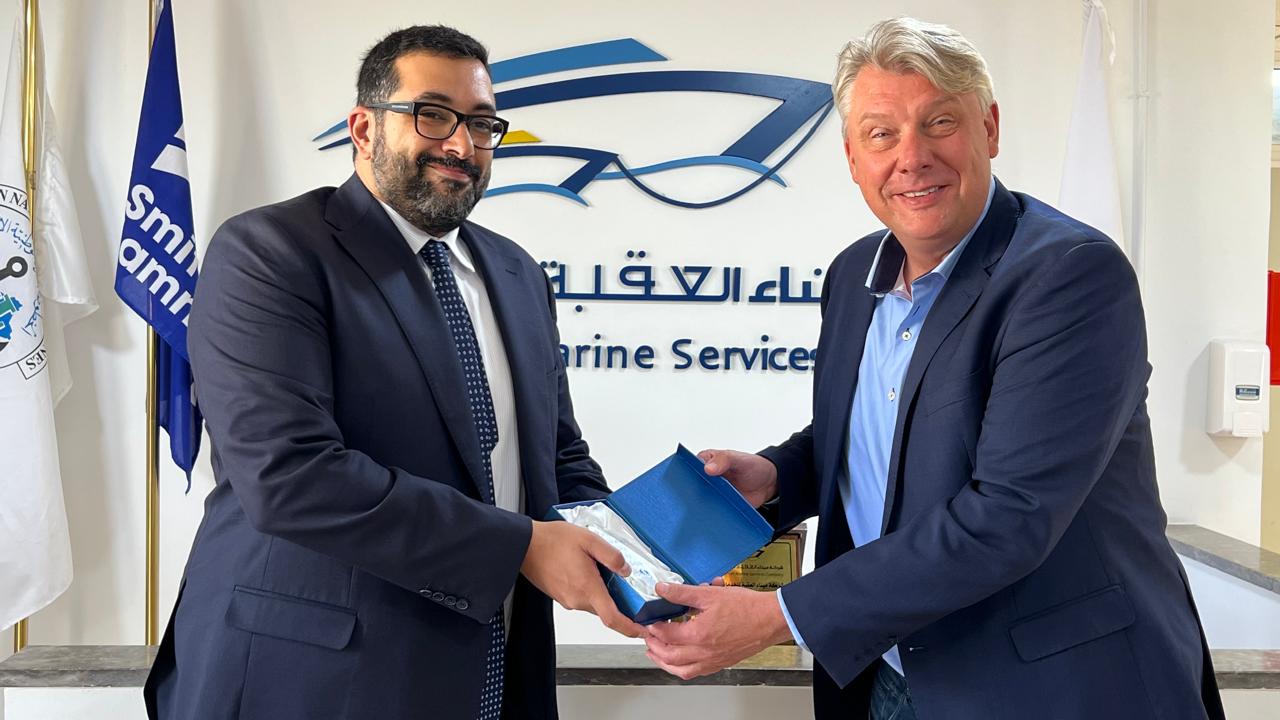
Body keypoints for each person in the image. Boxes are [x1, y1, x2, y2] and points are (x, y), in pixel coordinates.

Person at [644, 17, 1224, 720]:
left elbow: (1008, 514)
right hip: (888, 673)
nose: (911, 157)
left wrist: (779, 616)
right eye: (880, 133)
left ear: (990, 129)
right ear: (853, 156)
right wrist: (778, 475)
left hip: (1048, 686)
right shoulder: (855, 273)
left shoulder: (1069, 275)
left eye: (939, 122)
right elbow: (882, 432)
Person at [144, 25, 642, 720]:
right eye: (432, 114)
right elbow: (290, 477)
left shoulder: (517, 273)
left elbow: (556, 457)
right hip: (310, 680)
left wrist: (643, 553)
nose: (461, 145)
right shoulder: (271, 252)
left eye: (481, 124)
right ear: (364, 127)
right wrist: (521, 547)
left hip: (494, 667)